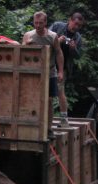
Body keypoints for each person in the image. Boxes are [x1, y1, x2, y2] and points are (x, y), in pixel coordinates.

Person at [22, 11, 64, 139]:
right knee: (31, 98)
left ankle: (49, 128)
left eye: (40, 23)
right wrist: (26, 45)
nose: (38, 25)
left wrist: (61, 71)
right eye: (36, 23)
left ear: (45, 23)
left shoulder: (52, 36)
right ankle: (31, 125)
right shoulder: (29, 35)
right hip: (33, 72)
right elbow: (21, 52)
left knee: (49, 100)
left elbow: (58, 53)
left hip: (50, 71)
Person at [49, 12, 84, 126]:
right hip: (48, 63)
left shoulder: (78, 37)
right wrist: (57, 41)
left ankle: (64, 119)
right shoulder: (57, 26)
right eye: (75, 24)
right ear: (70, 20)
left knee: (60, 91)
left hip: (62, 68)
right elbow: (45, 39)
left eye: (79, 25)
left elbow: (78, 56)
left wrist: (73, 49)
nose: (77, 27)